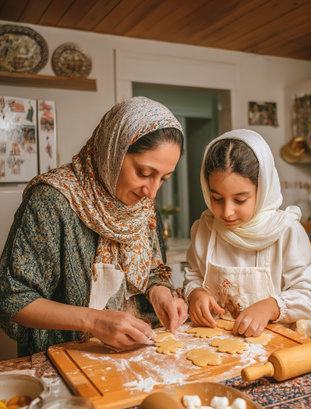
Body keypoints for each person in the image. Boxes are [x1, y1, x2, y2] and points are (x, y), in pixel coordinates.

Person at [0, 96, 188, 356]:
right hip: (67, 361)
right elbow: (13, 299)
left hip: (137, 357)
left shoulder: (142, 207)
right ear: (114, 150)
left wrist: (161, 295)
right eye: (144, 173)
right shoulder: (52, 202)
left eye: (164, 179)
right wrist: (94, 321)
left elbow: (151, 270)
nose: (152, 192)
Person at [183, 129, 311, 337]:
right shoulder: (205, 229)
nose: (227, 212)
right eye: (216, 198)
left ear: (263, 189)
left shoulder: (286, 231)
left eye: (240, 200)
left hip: (274, 346)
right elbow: (194, 275)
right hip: (216, 342)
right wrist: (195, 293)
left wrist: (270, 307)